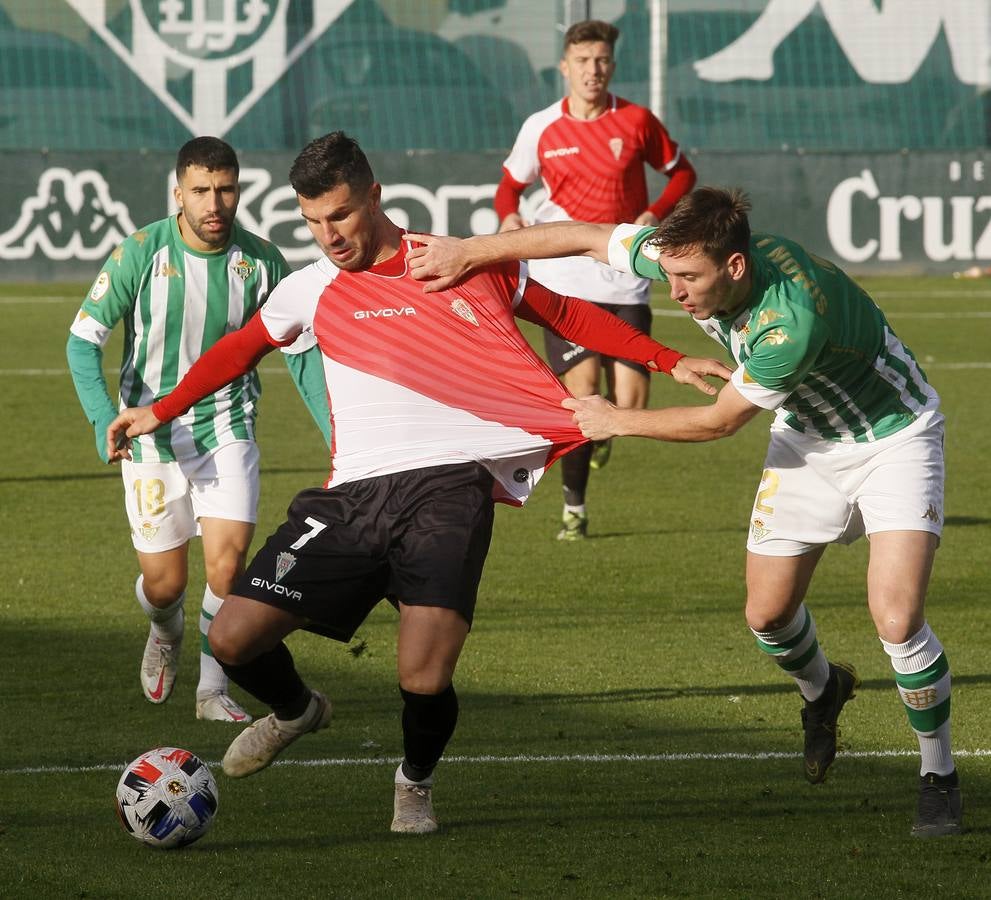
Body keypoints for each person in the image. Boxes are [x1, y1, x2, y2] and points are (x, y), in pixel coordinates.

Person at [105, 132, 731, 834]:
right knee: (233, 639)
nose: (327, 235)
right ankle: (298, 710)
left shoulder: (457, 261)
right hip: (353, 498)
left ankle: (415, 781)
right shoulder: (311, 287)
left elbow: (560, 313)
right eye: (311, 221)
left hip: (448, 490)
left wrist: (666, 358)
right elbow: (239, 347)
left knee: (423, 678)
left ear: (373, 196)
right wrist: (155, 409)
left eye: (339, 215)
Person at [405, 187, 961, 838]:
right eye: (667, 275)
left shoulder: (787, 323)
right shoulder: (684, 256)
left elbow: (719, 422)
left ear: (734, 267)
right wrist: (468, 251)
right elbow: (582, 235)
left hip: (894, 437)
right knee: (767, 614)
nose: (675, 292)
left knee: (895, 618)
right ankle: (822, 690)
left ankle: (937, 773)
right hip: (808, 437)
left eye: (689, 279)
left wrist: (617, 420)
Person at [67, 136, 329, 724]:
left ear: (240, 190)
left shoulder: (262, 262)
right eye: (202, 191)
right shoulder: (140, 251)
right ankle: (165, 628)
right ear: (178, 192)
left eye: (227, 189)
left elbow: (304, 358)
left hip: (227, 424)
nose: (215, 203)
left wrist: (338, 441)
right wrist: (99, 419)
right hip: (148, 433)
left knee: (227, 568)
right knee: (165, 586)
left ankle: (213, 690)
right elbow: (81, 342)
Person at [494, 18, 696, 541]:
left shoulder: (636, 121)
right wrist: (509, 217)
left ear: (612, 65)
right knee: (582, 395)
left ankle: (604, 438)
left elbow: (683, 173)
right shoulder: (541, 127)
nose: (593, 70)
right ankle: (574, 510)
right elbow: (509, 187)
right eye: (583, 61)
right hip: (562, 279)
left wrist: (654, 213)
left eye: (602, 60)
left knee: (631, 407)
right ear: (565, 67)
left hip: (624, 276)